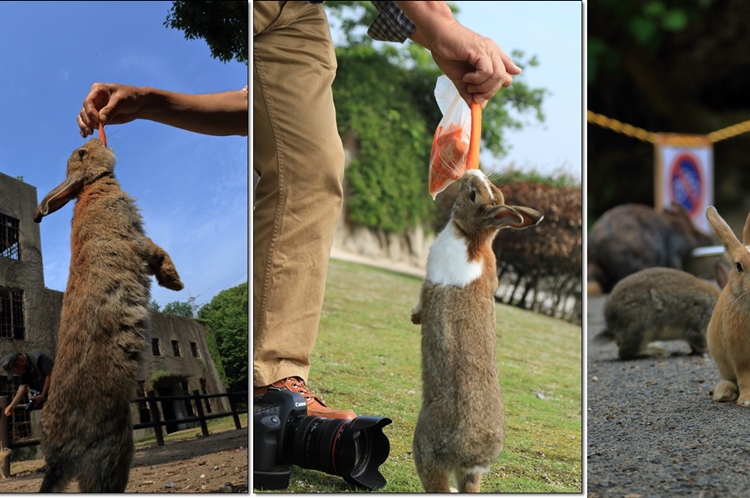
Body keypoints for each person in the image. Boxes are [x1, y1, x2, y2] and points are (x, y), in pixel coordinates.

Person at [77, 1, 520, 420]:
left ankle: (275, 383)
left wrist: (148, 102)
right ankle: (270, 383)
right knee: (308, 167)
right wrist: (443, 28)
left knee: (312, 169)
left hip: (304, 12)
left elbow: (258, 109)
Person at [1, 350, 54, 417]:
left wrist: (42, 395)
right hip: (46, 401)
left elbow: (50, 374)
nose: (16, 373)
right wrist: (12, 405)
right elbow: (23, 386)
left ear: (19, 363)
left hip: (56, 393)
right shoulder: (23, 369)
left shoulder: (38, 358)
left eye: (14, 371)